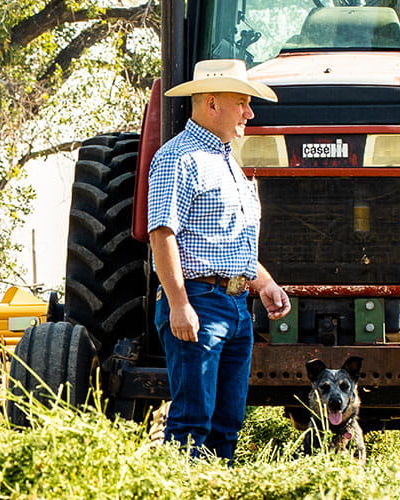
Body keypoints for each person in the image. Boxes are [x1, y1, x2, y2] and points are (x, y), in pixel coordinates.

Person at [147, 59, 293, 461]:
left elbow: (228, 244)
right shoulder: (178, 158)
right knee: (193, 421)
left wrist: (263, 283)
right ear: (212, 103)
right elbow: (162, 235)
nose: (250, 112)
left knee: (228, 423)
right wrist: (180, 305)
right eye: (242, 102)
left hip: (235, 306)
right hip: (199, 303)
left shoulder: (228, 162)